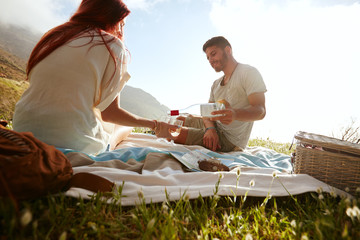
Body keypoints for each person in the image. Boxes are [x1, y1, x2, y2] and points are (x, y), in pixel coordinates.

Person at [13, 0, 177, 155]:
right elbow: (110, 113)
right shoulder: (112, 45)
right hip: (71, 143)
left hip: (22, 133)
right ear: (110, 18)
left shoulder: (53, 38)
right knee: (120, 127)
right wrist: (154, 124)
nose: (121, 31)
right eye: (121, 24)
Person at [175, 36, 267, 152]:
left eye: (213, 54)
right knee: (179, 120)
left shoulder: (248, 73)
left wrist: (234, 114)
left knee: (175, 133)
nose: (210, 60)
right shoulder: (216, 84)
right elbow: (207, 114)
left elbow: (260, 111)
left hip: (230, 140)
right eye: (208, 58)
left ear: (228, 50)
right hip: (215, 127)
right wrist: (210, 129)